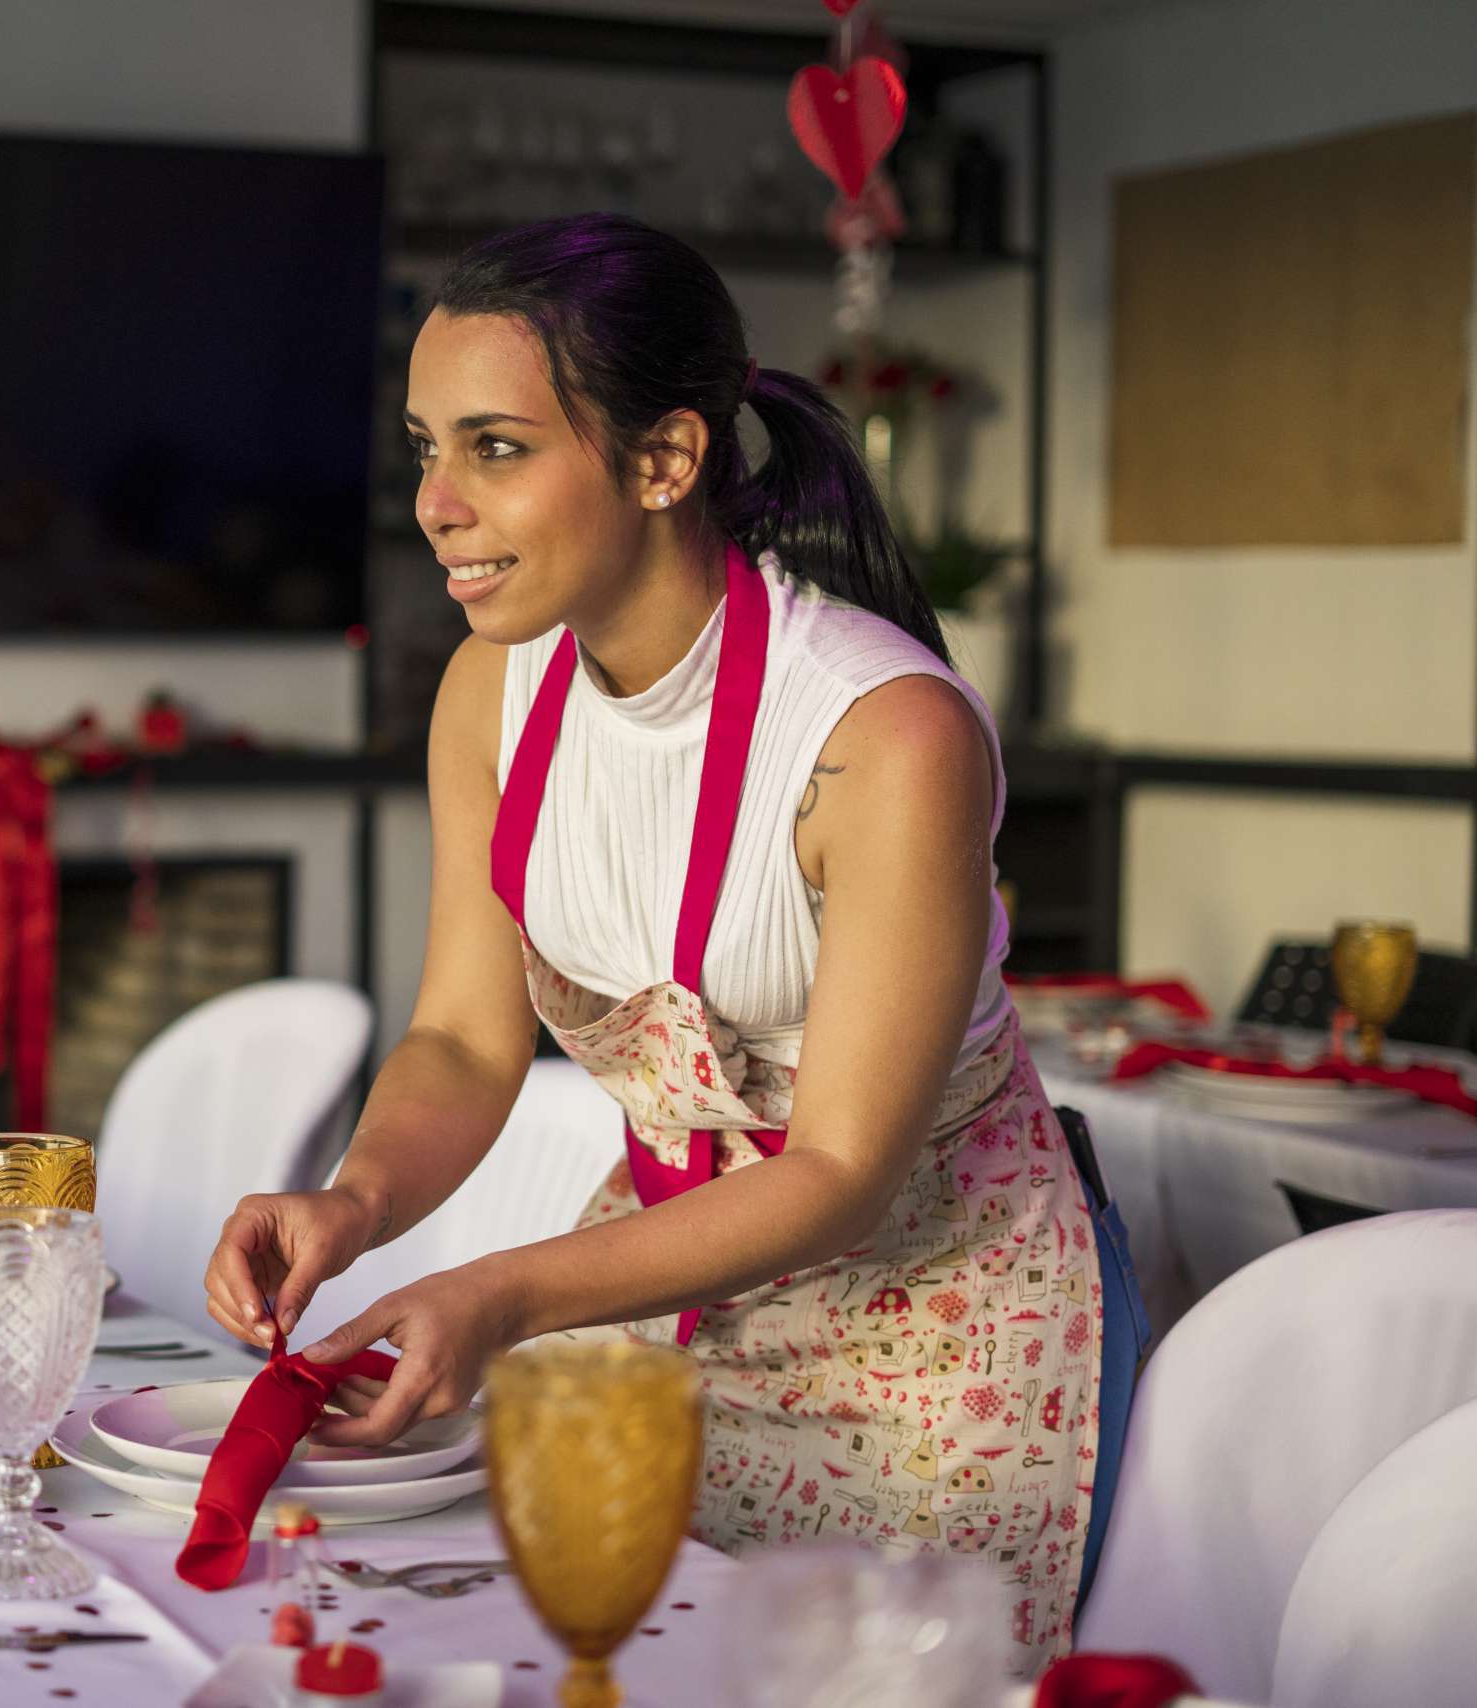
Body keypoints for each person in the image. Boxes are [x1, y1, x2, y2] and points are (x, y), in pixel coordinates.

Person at [200, 213, 1116, 1668]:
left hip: (931, 1333)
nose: (436, 503)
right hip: (666, 1300)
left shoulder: (887, 736)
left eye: (494, 447)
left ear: (666, 460)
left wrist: (494, 1290)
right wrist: (359, 1202)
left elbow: (839, 1168)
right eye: (426, 448)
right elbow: (459, 1034)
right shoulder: (487, 692)